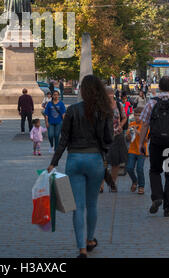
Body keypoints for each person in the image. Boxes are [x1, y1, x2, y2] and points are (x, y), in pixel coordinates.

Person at [47, 75, 113, 258]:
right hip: (95, 160)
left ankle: (81, 249)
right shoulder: (104, 111)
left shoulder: (73, 110)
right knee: (92, 204)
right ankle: (90, 240)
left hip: (74, 159)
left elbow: (63, 139)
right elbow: (109, 140)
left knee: (77, 206)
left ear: (82, 91)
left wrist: (54, 162)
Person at [139, 76, 169, 217]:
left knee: (155, 170)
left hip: (156, 142)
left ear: (159, 87)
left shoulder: (152, 102)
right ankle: (168, 207)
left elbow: (145, 124)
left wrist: (141, 142)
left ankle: (157, 196)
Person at [101, 87, 128, 192]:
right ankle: (101, 184)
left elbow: (124, 117)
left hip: (117, 135)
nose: (108, 96)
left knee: (115, 162)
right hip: (104, 137)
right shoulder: (101, 106)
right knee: (104, 162)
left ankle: (112, 183)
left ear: (113, 94)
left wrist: (121, 125)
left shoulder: (119, 105)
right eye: (106, 94)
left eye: (110, 94)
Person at [126, 107, 149, 195]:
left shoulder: (145, 125)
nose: (137, 117)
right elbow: (128, 139)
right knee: (129, 168)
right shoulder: (131, 124)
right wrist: (130, 133)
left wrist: (137, 132)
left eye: (139, 115)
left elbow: (146, 140)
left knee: (139, 169)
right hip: (132, 150)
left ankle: (141, 186)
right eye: (136, 115)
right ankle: (135, 181)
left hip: (141, 151)